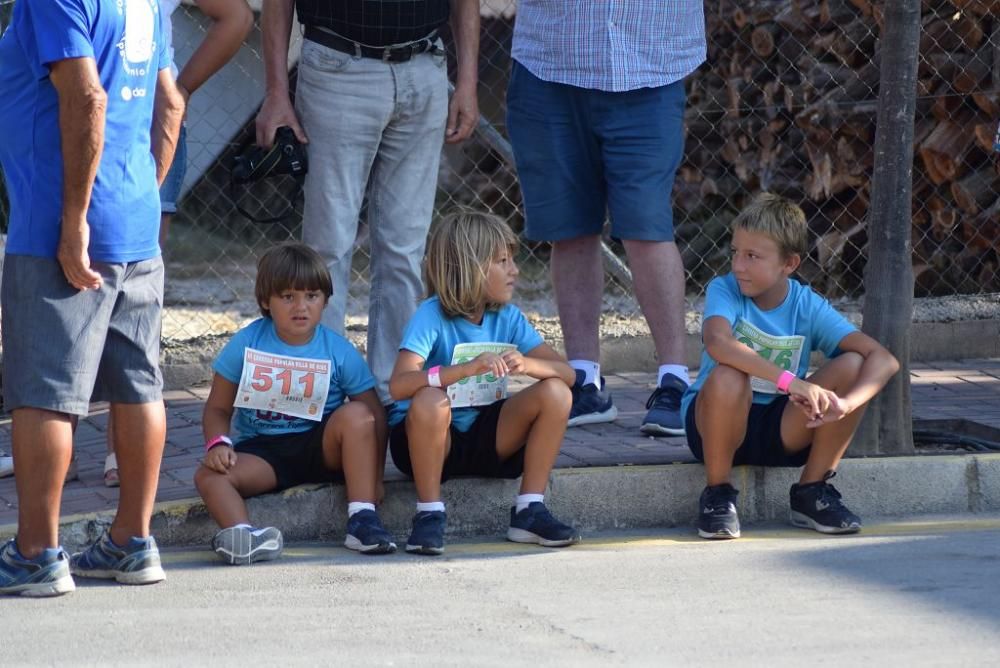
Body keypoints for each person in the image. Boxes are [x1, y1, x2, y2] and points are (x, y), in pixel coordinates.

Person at [0, 0, 184, 596]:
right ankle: (132, 542)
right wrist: (137, 198)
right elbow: (171, 103)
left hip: (59, 229)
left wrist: (78, 219)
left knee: (45, 394)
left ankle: (36, 554)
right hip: (134, 222)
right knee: (140, 385)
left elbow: (86, 98)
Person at [255, 0, 480, 406]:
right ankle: (322, 398)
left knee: (405, 251)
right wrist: (275, 91)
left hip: (424, 66)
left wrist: (467, 81)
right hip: (339, 68)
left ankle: (396, 399)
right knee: (327, 249)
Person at [506, 2, 706, 435]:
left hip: (650, 66)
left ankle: (674, 380)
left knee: (647, 229)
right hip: (551, 64)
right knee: (570, 229)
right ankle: (584, 381)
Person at [682, 193, 900, 539]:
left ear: (790, 264)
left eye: (752, 256)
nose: (738, 265)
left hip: (782, 427)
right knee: (728, 374)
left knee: (854, 365)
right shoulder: (724, 289)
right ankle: (717, 494)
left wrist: (844, 405)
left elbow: (884, 360)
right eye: (735, 252)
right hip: (714, 424)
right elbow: (718, 343)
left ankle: (811, 491)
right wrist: (790, 381)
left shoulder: (806, 305)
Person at [104, 0, 253, 488]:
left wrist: (180, 89)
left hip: (146, 126)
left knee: (134, 292)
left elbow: (236, 16)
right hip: (75, 120)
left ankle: (119, 447)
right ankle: (55, 442)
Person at [388, 211, 580, 555]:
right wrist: (458, 372)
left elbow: (568, 374)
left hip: (487, 435)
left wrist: (530, 364)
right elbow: (399, 385)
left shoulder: (507, 316)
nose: (514, 271)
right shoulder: (431, 315)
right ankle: (429, 513)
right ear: (470, 267)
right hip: (432, 441)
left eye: (512, 260)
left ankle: (529, 509)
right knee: (430, 400)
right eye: (502, 261)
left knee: (555, 391)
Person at [195, 242, 395, 564]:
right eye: (288, 297)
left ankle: (362, 520)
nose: (300, 306)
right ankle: (242, 536)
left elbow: (375, 414)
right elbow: (218, 408)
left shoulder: (338, 349)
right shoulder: (246, 344)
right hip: (264, 452)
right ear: (265, 301)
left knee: (358, 414)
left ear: (325, 300)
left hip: (323, 448)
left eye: (311, 296)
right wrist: (218, 444)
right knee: (208, 476)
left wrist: (374, 478)